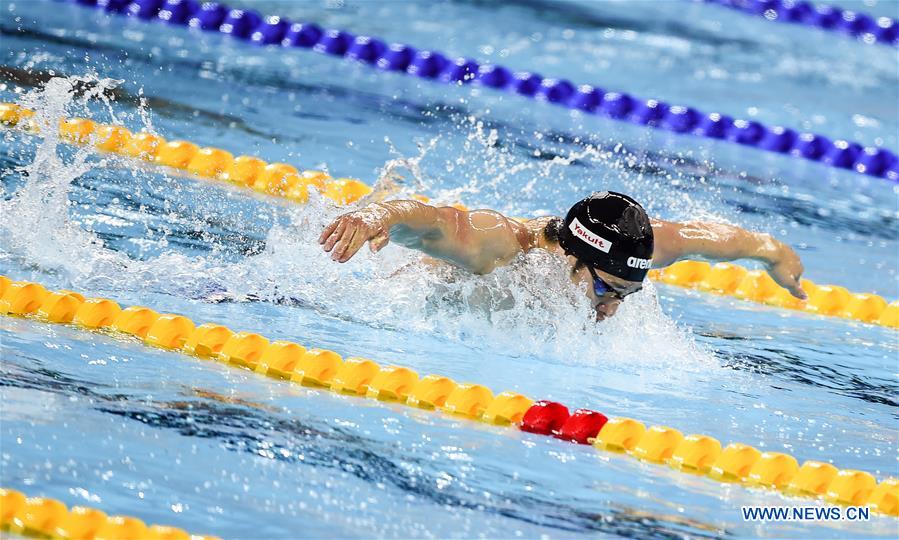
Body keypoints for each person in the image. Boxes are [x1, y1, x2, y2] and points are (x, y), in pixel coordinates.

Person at [318, 191, 806, 321]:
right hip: (419, 288)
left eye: (626, 295)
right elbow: (437, 223)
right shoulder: (503, 248)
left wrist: (776, 255)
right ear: (572, 258)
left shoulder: (643, 249)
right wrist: (376, 216)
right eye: (602, 290)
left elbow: (729, 241)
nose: (611, 309)